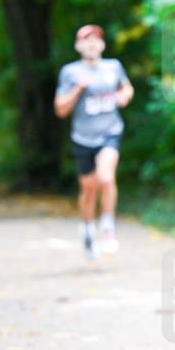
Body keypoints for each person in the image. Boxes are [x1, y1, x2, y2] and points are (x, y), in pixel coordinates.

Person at [54, 24, 134, 258]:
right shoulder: (70, 72)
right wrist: (78, 88)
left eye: (95, 39)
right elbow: (60, 109)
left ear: (102, 45)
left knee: (106, 179)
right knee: (88, 189)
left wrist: (123, 96)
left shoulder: (113, 66)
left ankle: (107, 227)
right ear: (78, 46)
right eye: (86, 40)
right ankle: (88, 228)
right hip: (82, 138)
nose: (91, 44)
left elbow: (127, 88)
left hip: (110, 131)